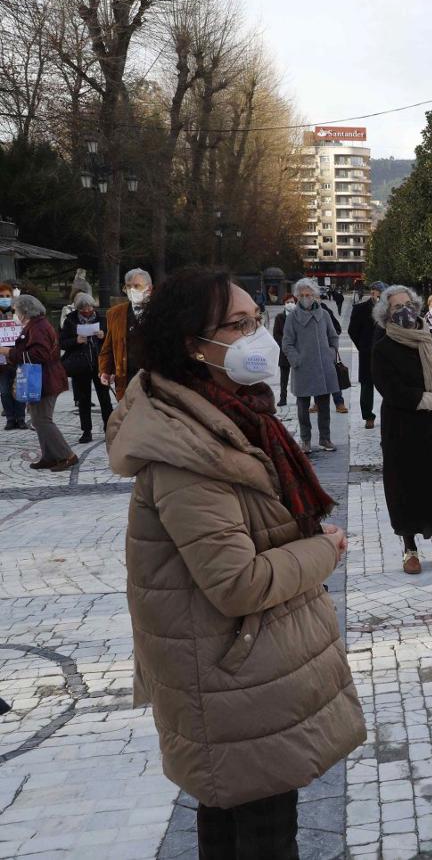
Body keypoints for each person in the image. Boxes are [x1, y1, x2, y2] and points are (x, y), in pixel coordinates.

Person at [106, 267, 365, 858]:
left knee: (234, 817)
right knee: (262, 834)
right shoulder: (188, 448)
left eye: (257, 322)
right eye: (239, 325)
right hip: (230, 675)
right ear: (194, 345)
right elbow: (237, 582)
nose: (258, 337)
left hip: (238, 672)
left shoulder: (232, 416)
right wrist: (322, 549)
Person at [370, 285, 432, 575]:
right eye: (396, 307)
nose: (404, 310)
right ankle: (409, 549)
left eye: (408, 304)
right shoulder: (383, 347)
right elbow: (396, 392)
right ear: (386, 314)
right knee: (407, 485)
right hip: (404, 429)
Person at [0, 295, 74, 470]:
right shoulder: (36, 325)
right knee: (37, 419)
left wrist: (7, 352)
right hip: (40, 379)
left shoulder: (38, 327)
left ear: (25, 311)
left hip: (45, 379)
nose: (15, 313)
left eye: (16, 310)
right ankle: (49, 456)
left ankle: (67, 455)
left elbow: (39, 355)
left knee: (43, 420)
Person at [281, 278, 340, 453]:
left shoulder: (324, 314)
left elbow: (333, 336)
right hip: (302, 368)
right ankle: (306, 440)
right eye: (303, 295)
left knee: (324, 407)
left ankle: (325, 439)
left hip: (323, 367)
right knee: (302, 408)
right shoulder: (292, 317)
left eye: (309, 294)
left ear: (315, 295)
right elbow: (287, 343)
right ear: (297, 296)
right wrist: (296, 360)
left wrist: (330, 354)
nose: (306, 297)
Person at [59, 292, 112, 443]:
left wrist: (104, 335)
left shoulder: (101, 319)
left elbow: (112, 338)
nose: (88, 311)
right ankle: (86, 431)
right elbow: (62, 342)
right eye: (83, 309)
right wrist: (76, 340)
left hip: (99, 363)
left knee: (105, 398)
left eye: (90, 307)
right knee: (84, 399)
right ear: (78, 308)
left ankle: (109, 428)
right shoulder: (71, 320)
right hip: (80, 365)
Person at [99, 268, 152, 402]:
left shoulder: (159, 311)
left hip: (152, 380)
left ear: (149, 289)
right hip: (125, 379)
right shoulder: (115, 313)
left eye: (136, 286)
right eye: (128, 286)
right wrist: (105, 370)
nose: (132, 290)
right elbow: (108, 347)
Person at [348, 281, 385, 428]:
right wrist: (362, 346)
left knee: (388, 384)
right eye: (378, 292)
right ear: (373, 292)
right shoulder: (360, 308)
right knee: (367, 386)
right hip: (367, 353)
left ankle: (390, 413)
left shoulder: (389, 309)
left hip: (385, 353)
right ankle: (368, 416)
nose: (380, 296)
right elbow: (352, 330)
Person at [0, 280, 26, 430]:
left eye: (7, 295)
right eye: (1, 296)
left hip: (17, 356)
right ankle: (10, 418)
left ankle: (21, 418)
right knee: (4, 391)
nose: (4, 298)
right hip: (2, 360)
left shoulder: (18, 312)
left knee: (19, 388)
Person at [272, 293, 298, 406]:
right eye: (288, 302)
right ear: (284, 304)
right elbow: (276, 334)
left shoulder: (299, 316)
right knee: (284, 378)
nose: (290, 304)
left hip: (298, 351)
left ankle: (300, 397)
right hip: (284, 351)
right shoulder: (279, 317)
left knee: (298, 376)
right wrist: (286, 343)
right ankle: (283, 398)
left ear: (296, 303)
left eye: (292, 302)